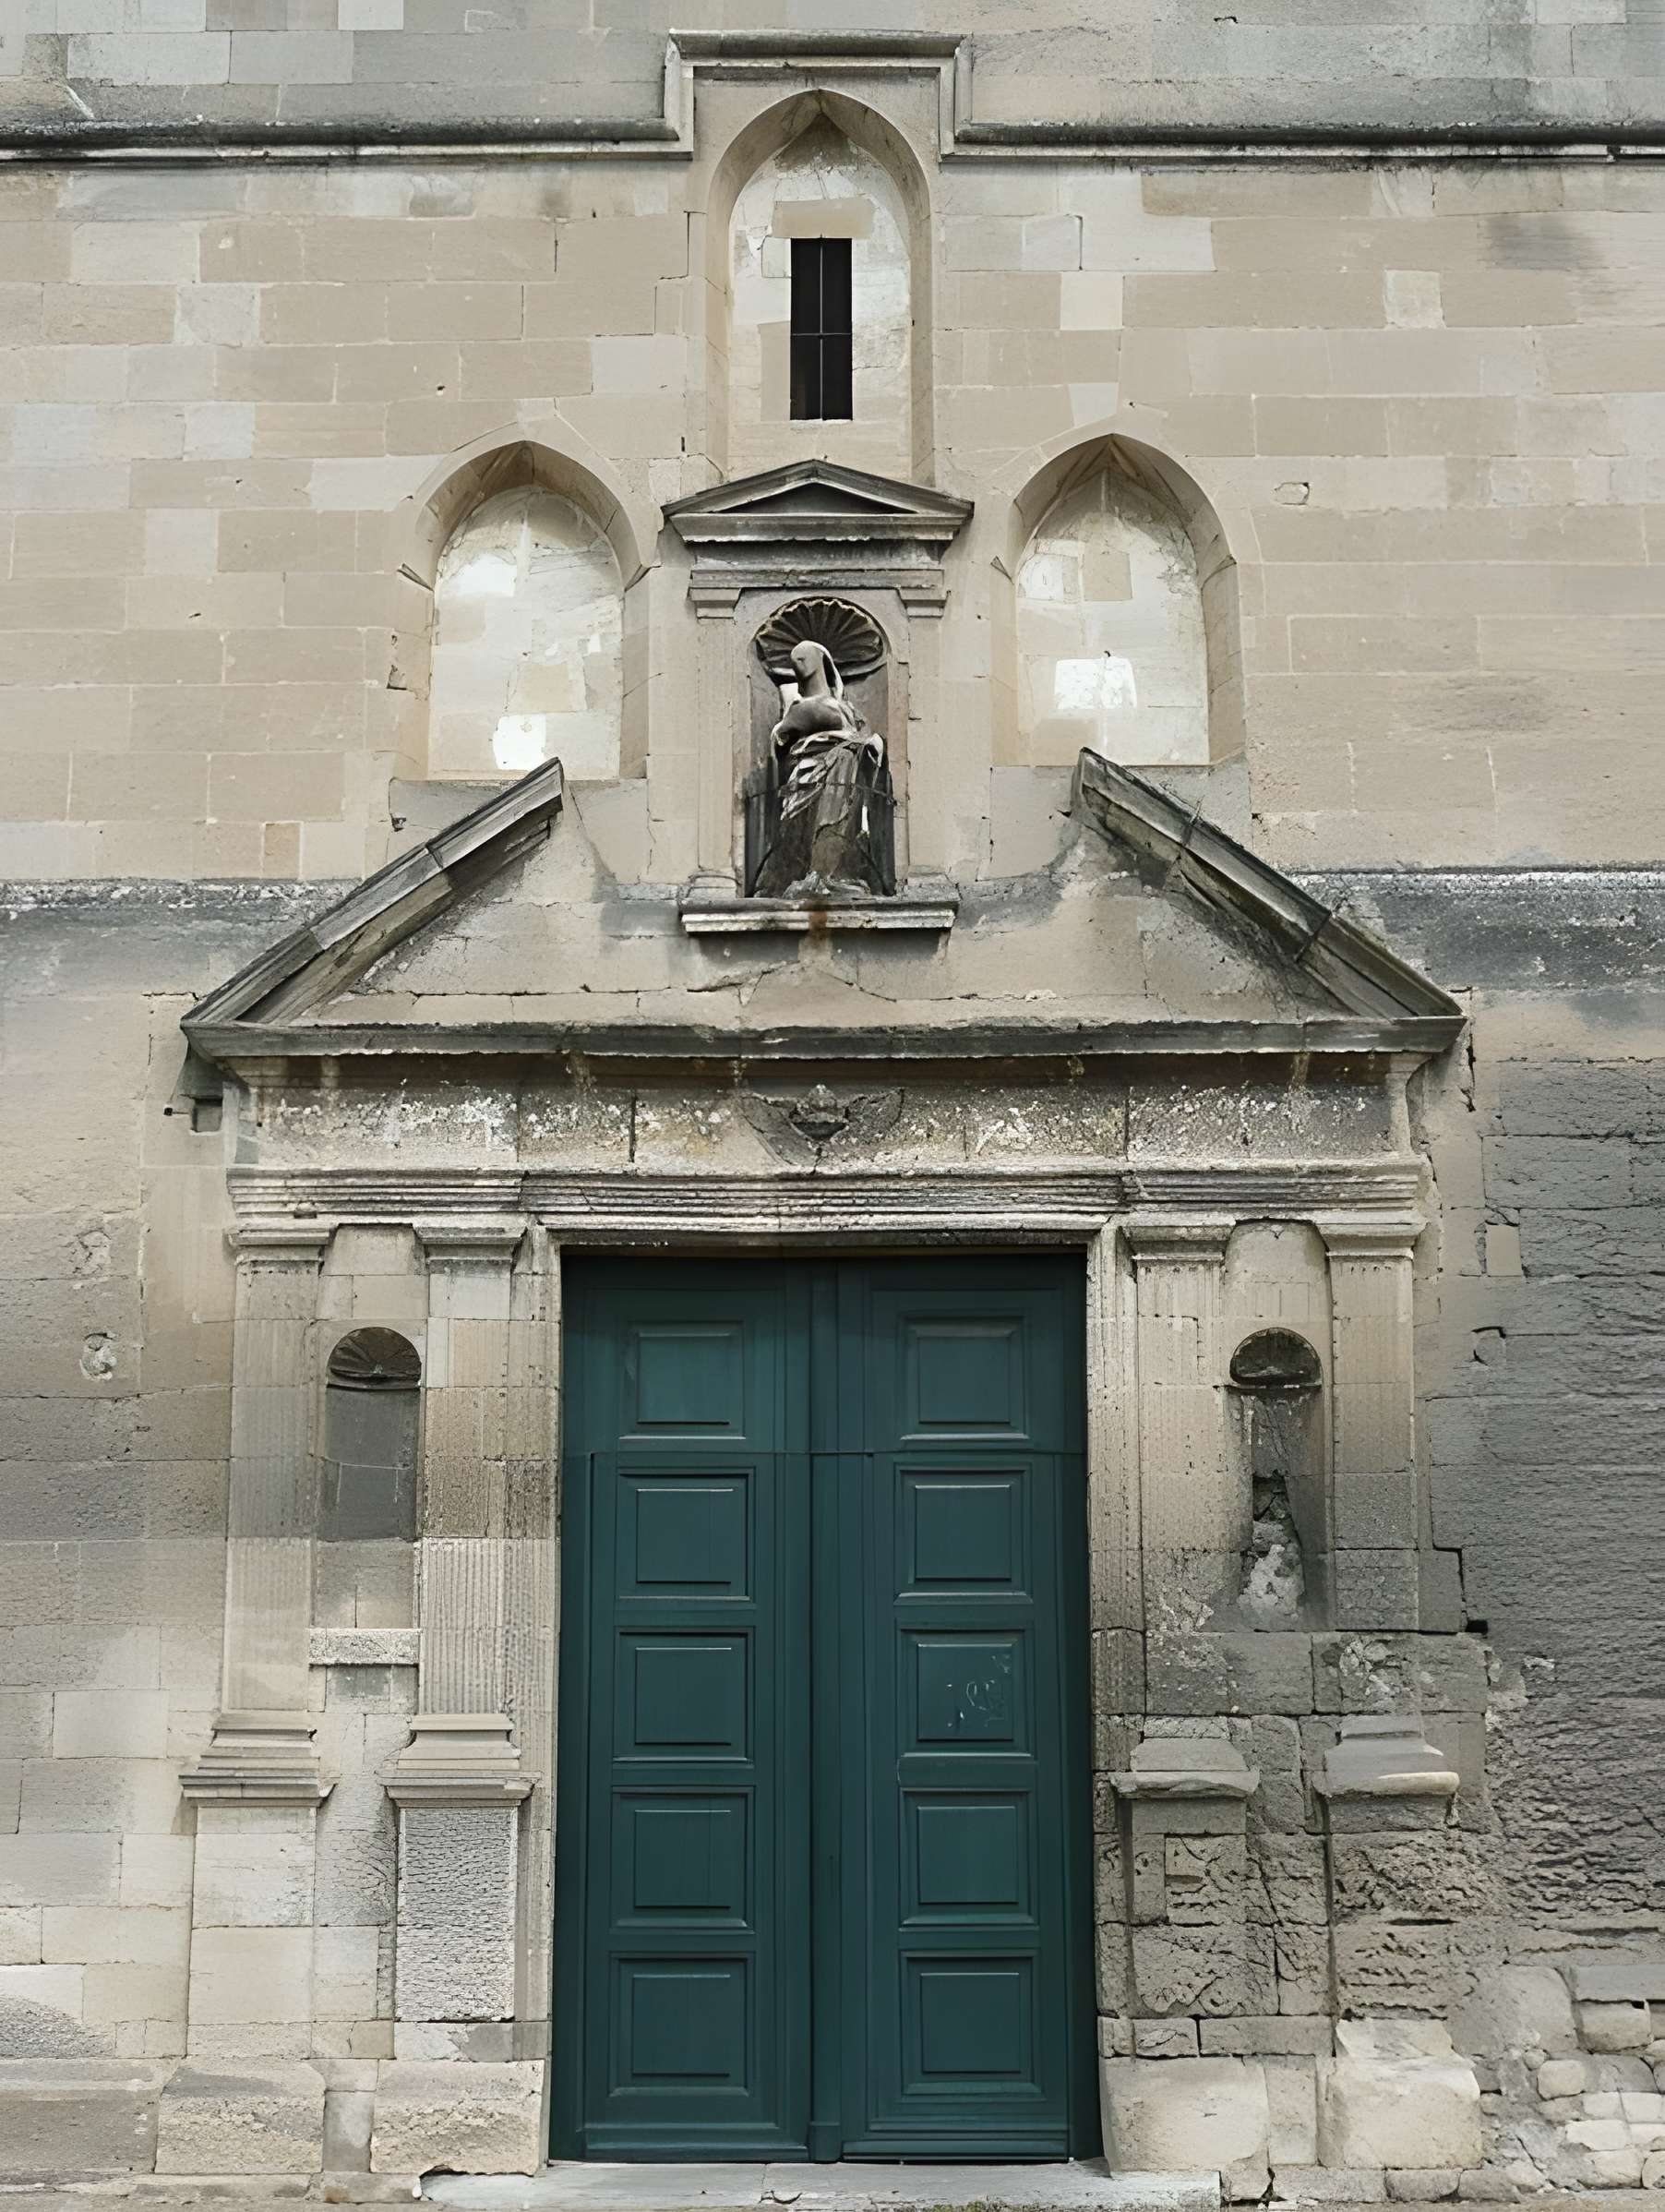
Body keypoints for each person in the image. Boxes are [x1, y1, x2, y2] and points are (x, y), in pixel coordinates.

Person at [756, 636, 886, 896]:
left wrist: (867, 744)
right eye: (795, 661)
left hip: (844, 772)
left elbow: (860, 735)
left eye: (803, 658)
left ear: (820, 662)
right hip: (809, 771)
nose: (798, 664)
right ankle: (817, 874)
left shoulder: (847, 709)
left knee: (845, 761)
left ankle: (829, 872)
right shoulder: (798, 706)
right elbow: (780, 738)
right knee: (844, 758)